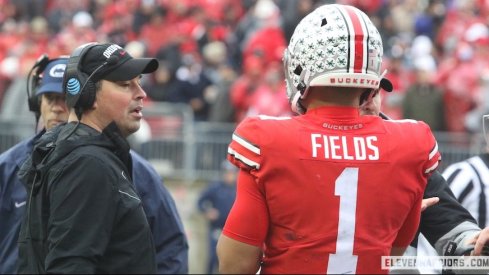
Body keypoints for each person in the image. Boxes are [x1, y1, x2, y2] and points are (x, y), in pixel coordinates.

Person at [216, 4, 441, 274]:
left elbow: (236, 265)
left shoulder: (267, 140)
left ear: (303, 66)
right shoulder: (413, 142)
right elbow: (393, 252)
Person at [0, 54, 189, 274]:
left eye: (64, 97)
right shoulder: (10, 167)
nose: (58, 108)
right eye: (50, 98)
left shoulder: (133, 169)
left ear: (82, 99)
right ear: (37, 103)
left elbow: (170, 247)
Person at [197, 160, 237, 274]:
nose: (229, 175)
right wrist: (208, 211)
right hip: (217, 229)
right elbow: (200, 202)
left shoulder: (239, 188)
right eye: (227, 172)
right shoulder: (215, 187)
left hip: (232, 231)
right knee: (213, 257)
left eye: (232, 172)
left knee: (229, 260)